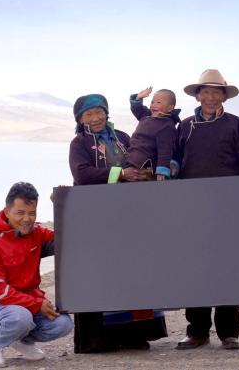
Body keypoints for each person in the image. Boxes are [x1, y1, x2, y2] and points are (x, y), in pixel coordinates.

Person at [68, 93, 168, 352]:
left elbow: (141, 158)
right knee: (103, 272)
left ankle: (135, 335)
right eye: (89, 114)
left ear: (106, 112)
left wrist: (146, 172)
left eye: (99, 112)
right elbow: (82, 174)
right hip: (98, 217)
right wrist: (121, 173)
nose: (95, 118)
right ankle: (101, 338)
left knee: (133, 270)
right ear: (80, 119)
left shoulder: (122, 138)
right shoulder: (79, 143)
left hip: (130, 215)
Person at [175, 69, 239, 351]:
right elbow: (175, 164)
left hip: (227, 208)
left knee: (226, 267)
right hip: (192, 209)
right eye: (206, 91)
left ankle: (229, 332)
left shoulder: (236, 125)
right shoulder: (185, 127)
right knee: (194, 268)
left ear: (224, 96)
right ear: (197, 95)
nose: (210, 97)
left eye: (216, 92)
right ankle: (197, 331)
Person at [0, 182, 73, 367]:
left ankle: (22, 341)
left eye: (32, 213)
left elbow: (67, 238)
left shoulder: (37, 233)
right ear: (7, 212)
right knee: (20, 318)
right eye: (20, 213)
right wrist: (36, 304)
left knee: (63, 324)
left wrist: (62, 205)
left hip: (27, 305)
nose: (27, 219)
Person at [127, 86, 181, 180]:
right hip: (131, 159)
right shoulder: (147, 116)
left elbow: (165, 150)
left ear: (170, 108)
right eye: (152, 102)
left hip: (146, 166)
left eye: (158, 102)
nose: (153, 105)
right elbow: (137, 109)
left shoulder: (166, 125)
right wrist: (139, 98)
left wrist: (162, 171)